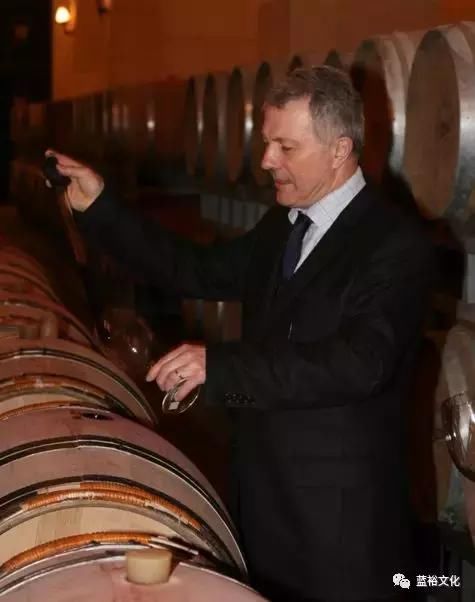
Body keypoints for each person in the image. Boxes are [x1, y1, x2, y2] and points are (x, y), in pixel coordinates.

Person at [46, 66, 433, 602]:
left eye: (285, 146)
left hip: (339, 529)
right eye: (267, 143)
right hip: (263, 505)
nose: (266, 160)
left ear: (340, 149)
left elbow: (360, 362)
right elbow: (196, 269)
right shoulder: (285, 225)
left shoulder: (393, 243)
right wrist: (101, 206)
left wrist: (220, 365)